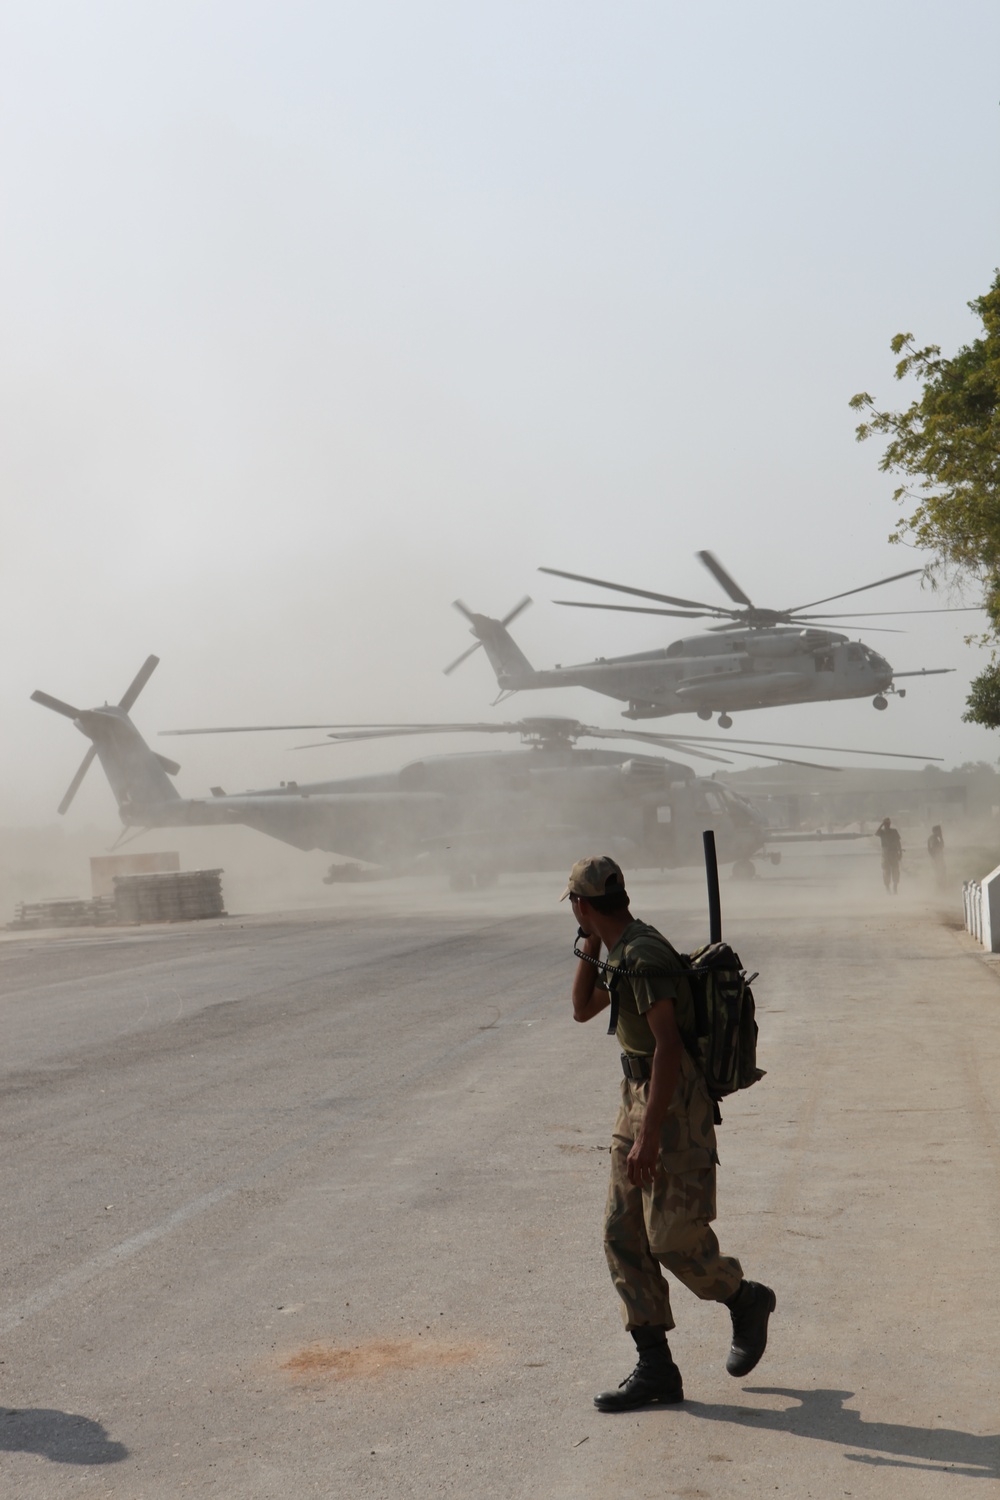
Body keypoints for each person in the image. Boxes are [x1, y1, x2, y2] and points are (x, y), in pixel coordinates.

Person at [564, 854, 775, 1412]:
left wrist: (650, 1135)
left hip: (672, 1106)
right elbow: (583, 1009)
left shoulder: (643, 955)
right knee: (622, 1234)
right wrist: (589, 945)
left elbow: (669, 1045)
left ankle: (745, 1298)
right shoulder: (619, 952)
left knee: (671, 1237)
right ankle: (656, 1367)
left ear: (582, 904)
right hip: (636, 1097)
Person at [876, 817, 902, 894]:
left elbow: (898, 842)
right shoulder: (882, 832)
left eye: (888, 823)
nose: (887, 825)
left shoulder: (894, 831)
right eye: (886, 824)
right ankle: (888, 889)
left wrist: (900, 852)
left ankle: (895, 888)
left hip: (893, 853)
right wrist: (881, 825)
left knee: (895, 871)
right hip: (885, 854)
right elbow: (876, 833)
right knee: (886, 871)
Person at [927, 825, 946, 890]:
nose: (941, 832)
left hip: (937, 859)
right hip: (936, 859)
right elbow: (933, 849)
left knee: (941, 872)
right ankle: (940, 887)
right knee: (939, 873)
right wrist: (935, 858)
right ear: (935, 831)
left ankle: (940, 887)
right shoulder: (933, 838)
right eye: (939, 830)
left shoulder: (935, 838)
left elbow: (942, 846)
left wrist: (941, 838)